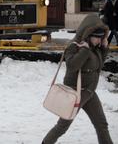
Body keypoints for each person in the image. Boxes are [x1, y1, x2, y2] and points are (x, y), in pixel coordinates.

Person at [42, 14, 113, 144]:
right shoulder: (74, 46)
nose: (98, 40)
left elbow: (98, 66)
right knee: (62, 126)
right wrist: (84, 51)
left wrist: (104, 48)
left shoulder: (95, 48)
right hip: (74, 93)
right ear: (87, 34)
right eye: (96, 37)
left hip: (89, 92)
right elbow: (72, 66)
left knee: (101, 125)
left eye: (101, 37)